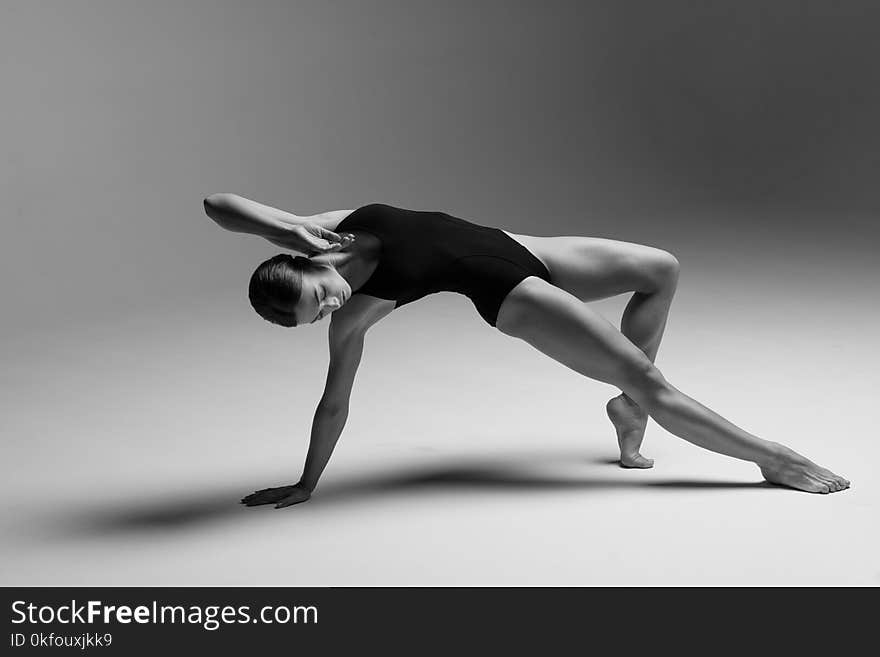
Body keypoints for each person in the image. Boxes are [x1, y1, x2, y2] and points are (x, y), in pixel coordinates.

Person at [203, 193, 849, 508]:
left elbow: (216, 204)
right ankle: (772, 459)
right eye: (320, 316)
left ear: (306, 262)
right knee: (651, 378)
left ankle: (626, 411)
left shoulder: (326, 228)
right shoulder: (354, 320)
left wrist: (282, 223)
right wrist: (307, 482)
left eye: (323, 296)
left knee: (661, 268)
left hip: (524, 245)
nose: (334, 307)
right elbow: (333, 404)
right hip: (510, 290)